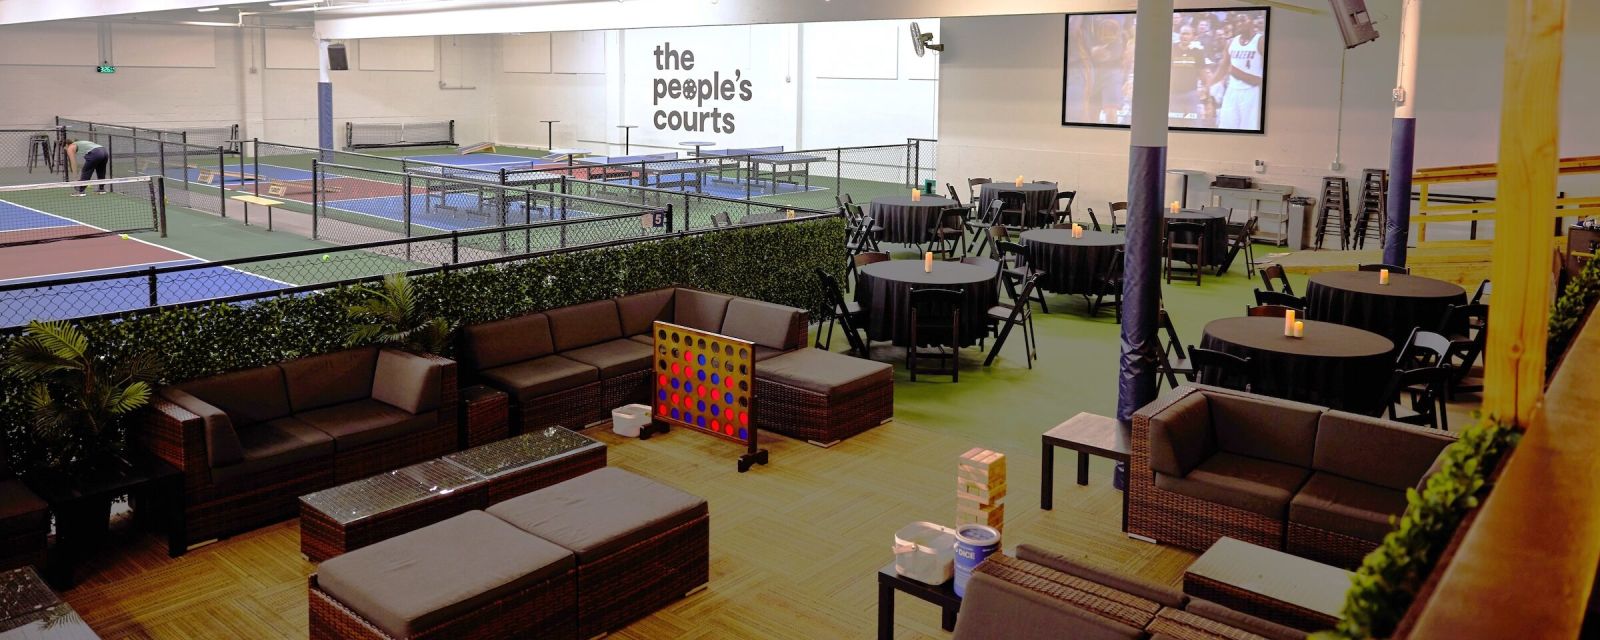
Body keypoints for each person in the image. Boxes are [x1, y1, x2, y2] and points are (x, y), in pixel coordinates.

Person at [1216, 12, 1265, 131]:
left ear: (1252, 21)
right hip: (1232, 89)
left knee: (1249, 128)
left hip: (1252, 92)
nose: (1239, 24)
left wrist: (1237, 73)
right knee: (1226, 126)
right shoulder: (1231, 42)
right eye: (1237, 21)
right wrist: (1210, 84)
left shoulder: (1261, 41)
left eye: (1243, 20)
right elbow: (1223, 67)